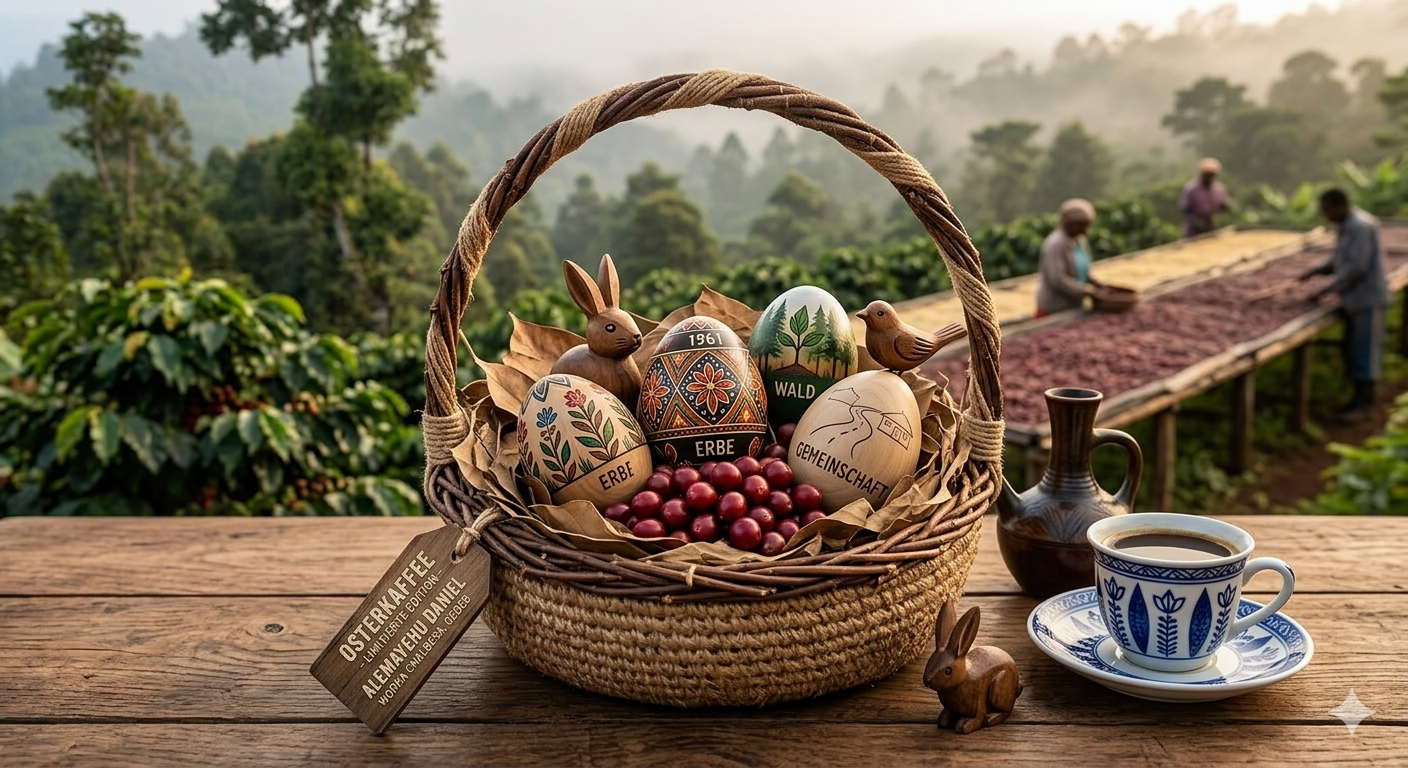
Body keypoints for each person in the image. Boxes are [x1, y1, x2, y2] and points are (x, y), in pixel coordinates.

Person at [1298, 187, 1390, 421]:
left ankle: (1364, 405)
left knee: (1365, 352)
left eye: (1325, 210)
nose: (1324, 216)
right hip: (1355, 299)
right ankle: (1356, 401)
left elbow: (1356, 267)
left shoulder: (1360, 226)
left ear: (1339, 207)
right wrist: (1318, 270)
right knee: (1354, 350)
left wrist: (1325, 289)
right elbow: (1341, 259)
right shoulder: (1346, 226)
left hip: (1367, 298)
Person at [1035, 198, 1102, 318]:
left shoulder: (1080, 240)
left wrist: (1098, 284)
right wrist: (1086, 291)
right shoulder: (1055, 244)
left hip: (1074, 305)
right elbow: (1057, 279)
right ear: (1072, 224)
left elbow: (1083, 271)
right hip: (1054, 307)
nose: (1085, 230)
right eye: (1082, 225)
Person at [1178, 158, 1230, 238]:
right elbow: (1186, 210)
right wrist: (1198, 224)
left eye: (1211, 175)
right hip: (1193, 231)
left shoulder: (1219, 189)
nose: (1208, 177)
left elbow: (1224, 207)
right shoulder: (1191, 189)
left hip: (1213, 229)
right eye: (1206, 175)